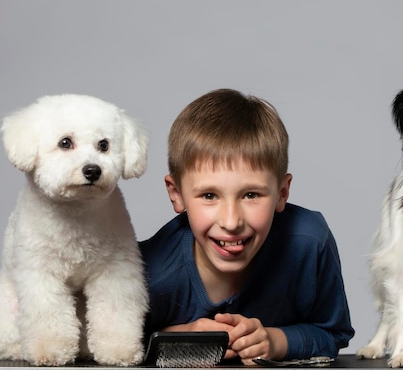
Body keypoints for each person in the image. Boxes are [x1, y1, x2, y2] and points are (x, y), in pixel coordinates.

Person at [139, 89, 354, 364]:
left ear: (282, 193)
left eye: (251, 195)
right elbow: (101, 349)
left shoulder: (309, 242)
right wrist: (175, 339)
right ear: (176, 194)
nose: (231, 222)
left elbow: (333, 332)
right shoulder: (146, 273)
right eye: (209, 196)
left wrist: (275, 340)